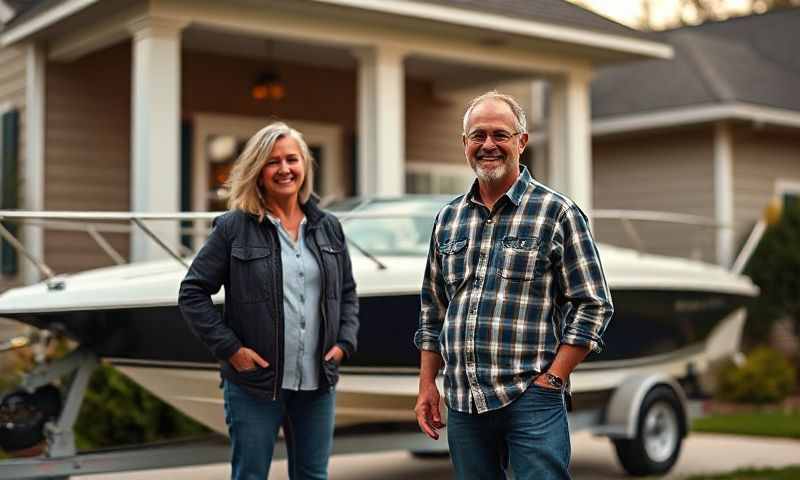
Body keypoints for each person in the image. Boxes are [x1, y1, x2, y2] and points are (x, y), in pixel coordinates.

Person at [413, 91, 613, 480]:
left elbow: (593, 304)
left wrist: (553, 379)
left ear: (521, 141)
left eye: (500, 135)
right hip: (463, 401)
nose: (488, 145)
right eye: (478, 135)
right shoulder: (448, 218)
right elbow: (432, 309)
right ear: (465, 145)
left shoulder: (557, 213)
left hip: (531, 399)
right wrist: (427, 385)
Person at [179, 122, 359, 480]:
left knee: (314, 476)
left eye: (292, 159)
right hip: (254, 384)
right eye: (273, 161)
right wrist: (231, 350)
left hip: (317, 384)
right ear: (258, 171)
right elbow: (192, 293)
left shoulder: (328, 227)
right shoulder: (233, 227)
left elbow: (348, 291)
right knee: (250, 476)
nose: (284, 169)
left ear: (304, 166)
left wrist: (344, 343)